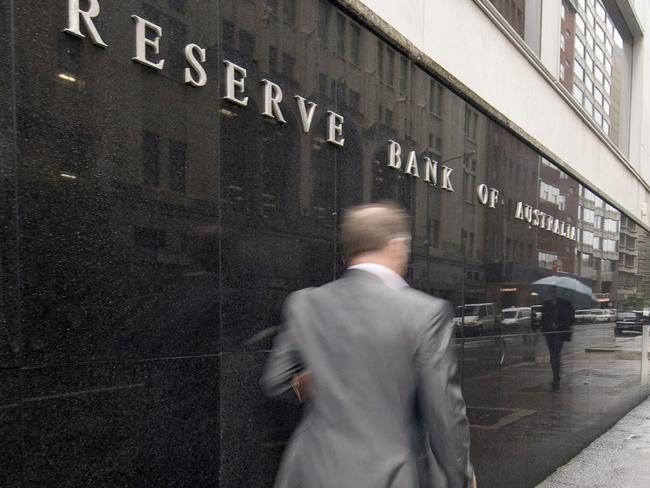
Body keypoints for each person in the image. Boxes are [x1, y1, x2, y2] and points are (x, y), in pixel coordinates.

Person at [261, 202, 476, 488]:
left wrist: (321, 378)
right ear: (397, 246)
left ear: (347, 252)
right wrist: (460, 476)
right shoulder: (425, 312)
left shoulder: (305, 303)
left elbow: (276, 382)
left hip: (310, 472)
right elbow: (444, 413)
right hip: (389, 476)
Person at [539, 286, 574, 390]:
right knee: (552, 355)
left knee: (556, 354)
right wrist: (547, 327)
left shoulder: (565, 303)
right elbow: (543, 319)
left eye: (554, 291)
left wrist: (559, 325)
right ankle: (556, 374)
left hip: (560, 333)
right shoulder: (546, 304)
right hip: (550, 333)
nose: (552, 293)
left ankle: (556, 377)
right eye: (551, 291)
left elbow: (570, 318)